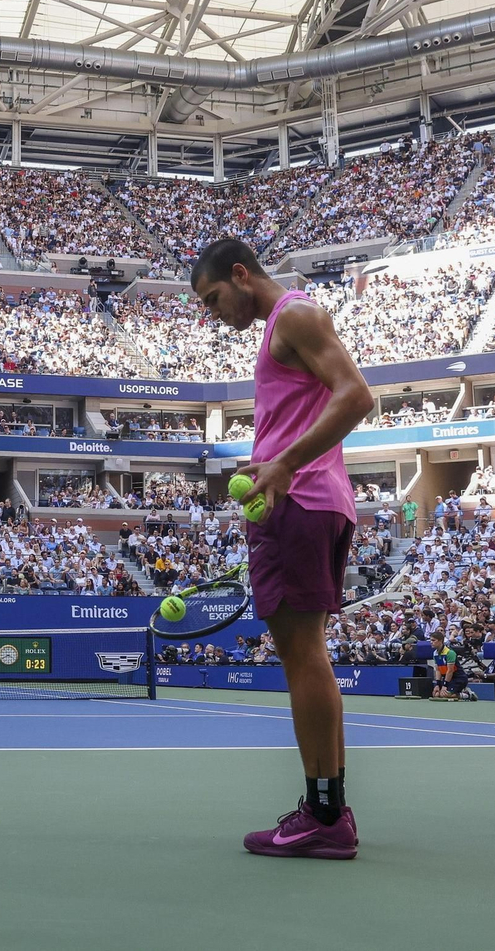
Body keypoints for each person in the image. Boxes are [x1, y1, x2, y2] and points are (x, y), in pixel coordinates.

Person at [192, 238, 372, 860]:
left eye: (215, 298)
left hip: (303, 505)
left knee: (302, 658)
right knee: (308, 656)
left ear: (242, 275)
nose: (216, 313)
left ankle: (322, 814)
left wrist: (285, 465)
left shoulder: (294, 315)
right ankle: (331, 810)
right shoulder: (283, 326)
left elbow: (357, 395)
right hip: (306, 501)